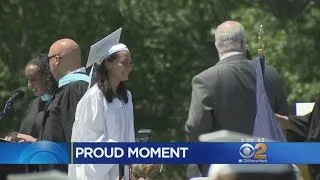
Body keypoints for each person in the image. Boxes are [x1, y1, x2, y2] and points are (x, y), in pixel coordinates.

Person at [184, 21, 288, 176]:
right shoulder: (270, 74)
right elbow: (286, 122)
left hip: (225, 172)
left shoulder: (205, 80)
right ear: (243, 44)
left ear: (217, 45)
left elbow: (196, 127)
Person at [17, 39, 90, 172]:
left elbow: (73, 142)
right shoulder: (68, 90)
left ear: (56, 59)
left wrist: (36, 144)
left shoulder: (74, 90)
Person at [68, 41, 135, 180]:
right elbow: (91, 142)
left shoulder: (126, 97)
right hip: (97, 174)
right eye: (124, 62)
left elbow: (129, 136)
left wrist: (130, 168)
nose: (129, 67)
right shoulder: (94, 97)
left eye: (130, 63)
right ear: (108, 64)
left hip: (121, 171)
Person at [19, 54, 57, 137]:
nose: (29, 85)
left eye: (33, 79)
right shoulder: (33, 104)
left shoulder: (59, 102)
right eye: (28, 80)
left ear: (48, 77)